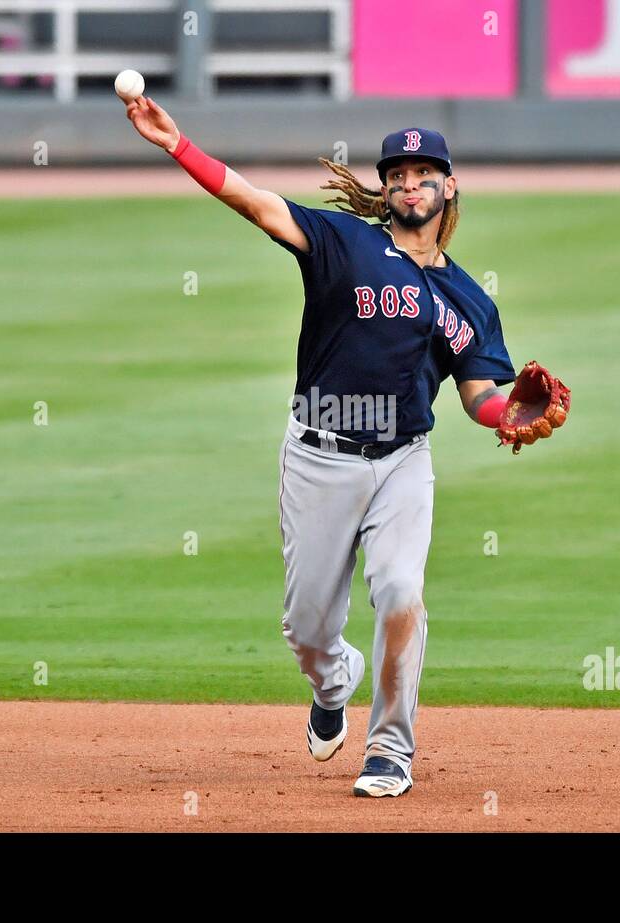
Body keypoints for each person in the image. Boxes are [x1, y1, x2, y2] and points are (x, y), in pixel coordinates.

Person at [126, 98, 516, 797]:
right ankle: (333, 684)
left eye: (426, 172)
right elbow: (253, 202)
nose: (410, 183)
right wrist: (178, 144)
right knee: (308, 628)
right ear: (387, 186)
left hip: (403, 459)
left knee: (401, 592)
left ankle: (391, 750)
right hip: (318, 455)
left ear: (450, 186)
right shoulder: (343, 243)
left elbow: (479, 393)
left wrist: (511, 414)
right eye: (399, 172)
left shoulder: (469, 302)